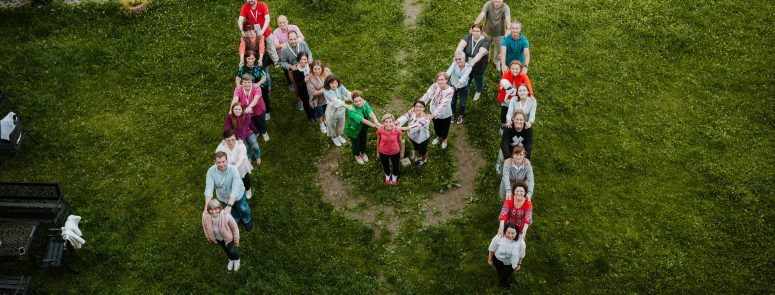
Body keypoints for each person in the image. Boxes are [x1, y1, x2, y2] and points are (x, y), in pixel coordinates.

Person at [204, 151, 253, 231]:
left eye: (223, 162)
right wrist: (206, 206)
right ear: (215, 162)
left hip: (238, 195)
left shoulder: (233, 170)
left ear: (227, 161)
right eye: (218, 162)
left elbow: (235, 189)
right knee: (232, 210)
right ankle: (236, 219)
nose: (221, 164)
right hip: (223, 197)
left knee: (243, 208)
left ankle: (246, 220)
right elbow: (209, 189)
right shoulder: (211, 171)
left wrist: (229, 205)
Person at [202, 199, 241, 271]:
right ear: (208, 210)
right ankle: (231, 259)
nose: (214, 212)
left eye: (216, 209)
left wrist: (236, 240)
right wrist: (208, 237)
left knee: (231, 250)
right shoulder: (206, 217)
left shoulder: (226, 216)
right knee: (225, 250)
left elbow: (234, 228)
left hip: (228, 238)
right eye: (211, 210)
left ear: (220, 208)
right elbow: (205, 227)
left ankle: (237, 259)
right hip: (218, 238)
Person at [237, 0, 279, 66]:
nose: (250, 0)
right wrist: (242, 31)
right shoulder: (245, 7)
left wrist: (262, 31)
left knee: (271, 46)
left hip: (265, 31)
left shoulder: (262, 5)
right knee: (257, 47)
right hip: (253, 33)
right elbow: (240, 20)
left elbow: (267, 19)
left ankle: (276, 60)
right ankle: (255, 60)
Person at [454, 24, 490, 102]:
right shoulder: (468, 37)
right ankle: (467, 87)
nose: (475, 33)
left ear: (481, 32)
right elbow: (460, 47)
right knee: (468, 76)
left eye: (477, 31)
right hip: (467, 63)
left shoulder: (485, 41)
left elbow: (481, 53)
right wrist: (457, 55)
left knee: (478, 78)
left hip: (479, 65)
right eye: (474, 31)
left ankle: (478, 92)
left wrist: (472, 62)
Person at [216, 129, 255, 199]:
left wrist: (233, 168)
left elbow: (241, 158)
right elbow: (217, 156)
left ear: (235, 138)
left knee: (245, 179)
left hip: (241, 167)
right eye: (228, 140)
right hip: (227, 168)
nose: (231, 142)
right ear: (225, 139)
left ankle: (248, 189)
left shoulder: (241, 145)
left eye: (233, 140)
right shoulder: (221, 146)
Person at [473, 0, 510, 72]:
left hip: (500, 34)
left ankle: (496, 62)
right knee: (485, 48)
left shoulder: (506, 7)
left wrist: (509, 28)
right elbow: (482, 14)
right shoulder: (488, 4)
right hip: (486, 32)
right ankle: (485, 60)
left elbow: (508, 18)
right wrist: (474, 25)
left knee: (499, 49)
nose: (497, 1)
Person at [343, 91, 379, 165]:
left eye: (360, 100)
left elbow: (370, 112)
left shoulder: (365, 103)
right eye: (356, 101)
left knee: (363, 139)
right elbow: (362, 120)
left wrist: (376, 121)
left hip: (363, 127)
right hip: (354, 129)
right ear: (352, 101)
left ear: (363, 99)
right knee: (356, 142)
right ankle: (357, 155)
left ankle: (362, 152)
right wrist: (374, 125)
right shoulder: (351, 109)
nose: (359, 103)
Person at [231, 73, 269, 142]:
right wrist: (231, 111)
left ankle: (264, 132)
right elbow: (235, 100)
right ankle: (257, 132)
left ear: (252, 82)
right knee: (251, 123)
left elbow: (256, 99)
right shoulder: (238, 89)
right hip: (246, 111)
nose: (247, 84)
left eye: (249, 82)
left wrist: (250, 106)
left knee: (261, 121)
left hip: (258, 110)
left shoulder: (257, 88)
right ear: (242, 83)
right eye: (245, 82)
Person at [420, 72, 454, 149]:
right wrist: (420, 104)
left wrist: (433, 115)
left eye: (442, 79)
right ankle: (438, 136)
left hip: (444, 114)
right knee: (436, 126)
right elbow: (427, 94)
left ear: (446, 80)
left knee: (445, 127)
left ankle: (444, 139)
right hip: (433, 110)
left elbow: (443, 105)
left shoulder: (450, 91)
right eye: (438, 79)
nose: (440, 81)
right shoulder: (435, 85)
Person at [235, 50, 271, 120]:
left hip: (259, 86)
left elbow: (264, 77)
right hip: (247, 87)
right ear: (246, 58)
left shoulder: (258, 67)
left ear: (255, 59)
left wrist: (258, 83)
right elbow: (238, 77)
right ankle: (248, 110)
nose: (250, 60)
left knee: (264, 98)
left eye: (252, 58)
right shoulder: (243, 68)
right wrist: (238, 85)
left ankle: (267, 112)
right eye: (248, 58)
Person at [487, 223, 525, 289]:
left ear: (517, 233)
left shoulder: (521, 242)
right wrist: (490, 259)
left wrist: (519, 264)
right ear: (505, 231)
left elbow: (521, 255)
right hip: (498, 260)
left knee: (506, 275)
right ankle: (500, 275)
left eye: (513, 233)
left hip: (511, 263)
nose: (510, 235)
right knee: (499, 271)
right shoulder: (498, 238)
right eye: (508, 232)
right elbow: (491, 249)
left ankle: (503, 284)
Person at [397, 100, 434, 167]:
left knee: (423, 151)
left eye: (420, 107)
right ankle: (418, 157)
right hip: (413, 137)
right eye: (416, 106)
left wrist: (399, 128)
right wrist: (396, 123)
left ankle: (423, 159)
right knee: (416, 148)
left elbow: (415, 127)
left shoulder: (426, 118)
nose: (418, 108)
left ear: (424, 108)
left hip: (422, 139)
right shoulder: (412, 113)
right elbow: (404, 117)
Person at [280, 31, 314, 100]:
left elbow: (308, 52)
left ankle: (312, 96)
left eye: (295, 39)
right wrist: (290, 66)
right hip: (295, 69)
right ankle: (299, 100)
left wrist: (310, 58)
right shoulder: (284, 49)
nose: (293, 41)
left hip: (306, 65)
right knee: (297, 86)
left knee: (310, 81)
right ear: (288, 39)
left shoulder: (303, 43)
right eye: (291, 39)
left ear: (297, 38)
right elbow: (282, 62)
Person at [323, 74, 351, 147]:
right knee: (332, 125)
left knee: (341, 124)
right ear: (328, 84)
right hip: (332, 112)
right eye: (332, 83)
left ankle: (338, 135)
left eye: (336, 83)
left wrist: (350, 96)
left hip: (341, 111)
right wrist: (346, 105)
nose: (334, 85)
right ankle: (334, 137)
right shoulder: (326, 91)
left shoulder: (340, 86)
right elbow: (336, 101)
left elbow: (346, 92)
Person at [376, 114, 404, 185]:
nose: (388, 124)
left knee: (396, 165)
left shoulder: (398, 131)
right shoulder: (380, 130)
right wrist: (378, 152)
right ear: (383, 123)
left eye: (390, 121)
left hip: (395, 152)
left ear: (393, 122)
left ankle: (394, 175)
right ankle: (387, 175)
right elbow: (378, 141)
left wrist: (401, 153)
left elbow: (401, 142)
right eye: (386, 122)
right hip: (383, 152)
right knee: (385, 164)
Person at [446, 51, 472, 124]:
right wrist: (444, 78)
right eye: (456, 59)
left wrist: (456, 86)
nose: (458, 61)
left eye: (460, 59)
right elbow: (449, 71)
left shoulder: (469, 67)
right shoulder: (454, 64)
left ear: (464, 58)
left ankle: (461, 115)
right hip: (452, 84)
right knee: (452, 101)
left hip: (463, 86)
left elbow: (463, 78)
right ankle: (452, 114)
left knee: (463, 102)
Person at [305, 60, 331, 133]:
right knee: (320, 113)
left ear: (321, 68)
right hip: (317, 100)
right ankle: (321, 124)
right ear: (312, 69)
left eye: (319, 69)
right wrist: (324, 90)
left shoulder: (324, 74)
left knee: (326, 110)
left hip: (326, 98)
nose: (317, 71)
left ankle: (325, 120)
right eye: (315, 69)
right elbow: (313, 93)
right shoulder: (310, 79)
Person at [291, 52, 316, 121]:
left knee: (313, 101)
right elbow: (298, 84)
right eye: (301, 59)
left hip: (312, 88)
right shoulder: (296, 70)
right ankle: (310, 116)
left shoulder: (310, 66)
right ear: (298, 59)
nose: (303, 61)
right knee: (307, 103)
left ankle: (314, 113)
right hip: (303, 91)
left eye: (305, 59)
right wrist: (304, 80)